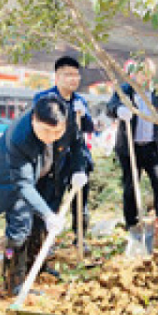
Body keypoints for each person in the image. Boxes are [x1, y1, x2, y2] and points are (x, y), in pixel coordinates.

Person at [0, 96, 87, 295]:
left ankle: (36, 267)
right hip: (9, 179)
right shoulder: (20, 137)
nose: (52, 137)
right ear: (34, 119)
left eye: (57, 132)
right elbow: (22, 183)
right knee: (21, 224)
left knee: (39, 224)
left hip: (41, 174)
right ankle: (14, 282)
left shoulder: (68, 120)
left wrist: (78, 168)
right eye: (46, 131)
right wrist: (48, 214)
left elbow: (77, 143)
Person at [106, 58, 158, 232]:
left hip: (153, 147)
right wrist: (118, 110)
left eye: (147, 74)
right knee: (131, 185)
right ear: (133, 74)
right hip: (130, 147)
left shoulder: (157, 94)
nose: (143, 77)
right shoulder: (124, 91)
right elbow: (110, 107)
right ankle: (132, 222)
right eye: (140, 73)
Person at [34, 56, 94, 250]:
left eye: (76, 75)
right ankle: (45, 241)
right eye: (68, 75)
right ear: (57, 77)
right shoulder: (44, 99)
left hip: (77, 159)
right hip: (52, 160)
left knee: (80, 202)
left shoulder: (80, 100)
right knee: (50, 199)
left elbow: (89, 128)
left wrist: (83, 115)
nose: (74, 79)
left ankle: (80, 238)